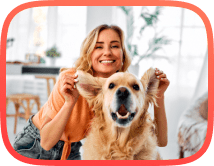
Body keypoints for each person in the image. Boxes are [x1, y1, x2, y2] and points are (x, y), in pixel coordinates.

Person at [13, 24, 169, 160]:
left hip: (71, 150)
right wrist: (69, 102)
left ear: (122, 54)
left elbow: (160, 141)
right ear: (89, 53)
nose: (107, 52)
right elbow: (46, 142)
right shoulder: (70, 80)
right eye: (98, 46)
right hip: (34, 144)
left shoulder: (129, 88)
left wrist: (158, 96)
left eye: (114, 46)